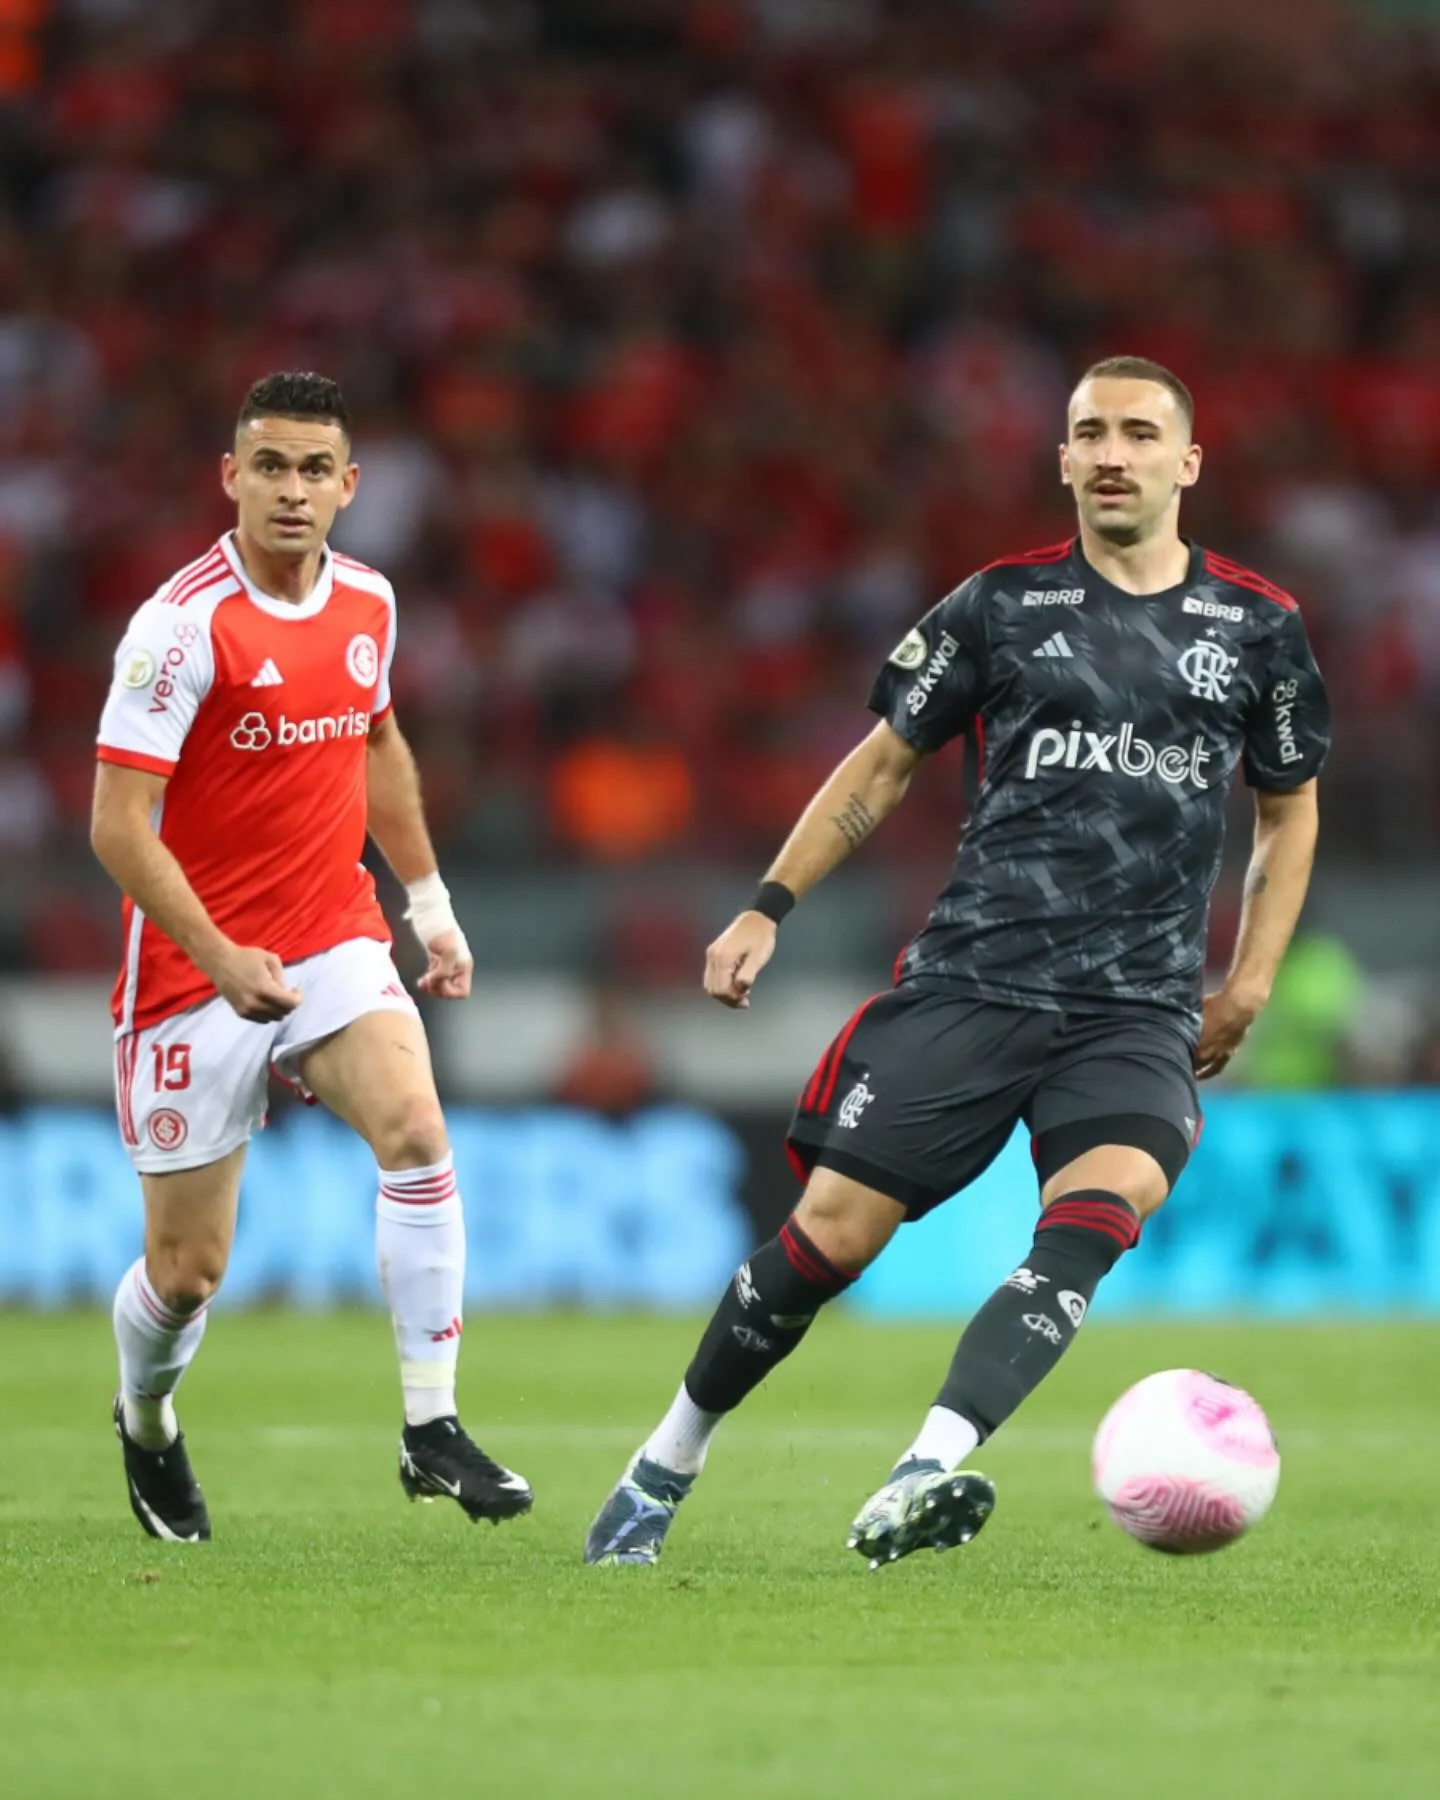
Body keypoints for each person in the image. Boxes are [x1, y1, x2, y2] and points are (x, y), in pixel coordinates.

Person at [584, 355, 1331, 1568]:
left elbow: (1289, 812)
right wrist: (769, 903)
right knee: (826, 1241)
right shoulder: (997, 606)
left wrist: (1246, 982)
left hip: (1135, 1008)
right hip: (976, 979)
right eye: (1089, 432)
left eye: (1140, 433)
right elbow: (881, 765)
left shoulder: (1260, 628)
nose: (1111, 453)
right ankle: (663, 1464)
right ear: (1063, 459)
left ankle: (923, 1469)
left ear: (1187, 462)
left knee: (1099, 1213)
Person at [92, 371, 532, 1541]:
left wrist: (428, 901)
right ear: (230, 479)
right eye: (268, 468)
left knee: (418, 1131)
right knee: (187, 1274)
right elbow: (115, 826)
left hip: (332, 930)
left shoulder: (370, 604)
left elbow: (376, 741)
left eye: (313, 470)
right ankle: (145, 1420)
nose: (292, 491)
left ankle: (431, 1428)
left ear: (350, 485)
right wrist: (220, 952)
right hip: (193, 968)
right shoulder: (182, 626)